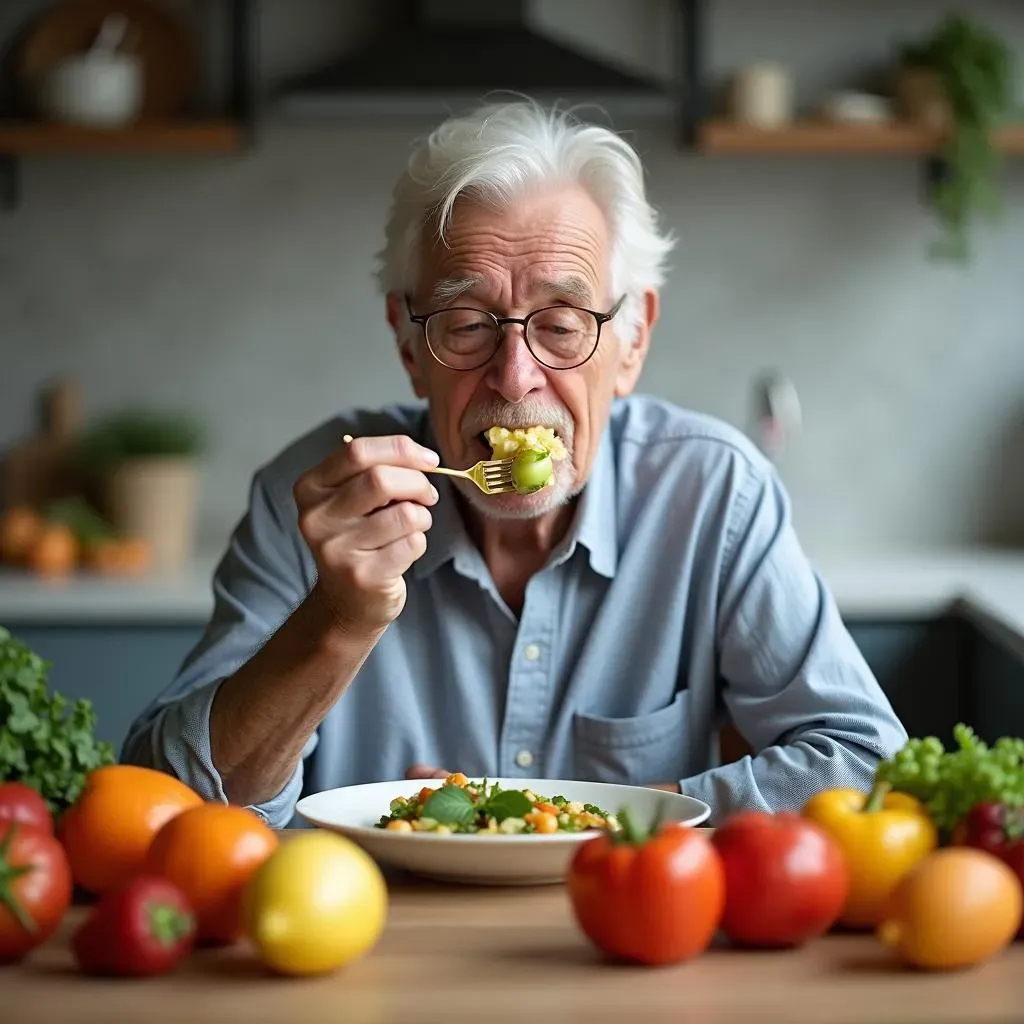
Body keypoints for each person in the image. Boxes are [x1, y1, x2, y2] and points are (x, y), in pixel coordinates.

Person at [122, 99, 907, 828]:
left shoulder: (713, 496)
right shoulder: (318, 502)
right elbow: (167, 805)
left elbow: (867, 764)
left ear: (632, 339)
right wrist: (335, 622)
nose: (514, 376)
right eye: (467, 324)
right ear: (407, 342)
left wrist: (553, 814)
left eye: (562, 325)